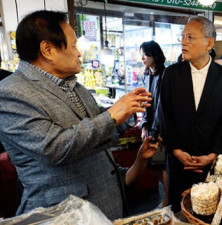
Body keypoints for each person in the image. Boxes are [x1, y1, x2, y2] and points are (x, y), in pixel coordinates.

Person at [0, 10, 160, 220]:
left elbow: (96, 125)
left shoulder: (75, 86)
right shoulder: (11, 92)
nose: (79, 53)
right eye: (74, 45)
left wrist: (129, 112)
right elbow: (53, 146)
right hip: (64, 215)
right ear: (47, 49)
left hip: (104, 207)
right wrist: (112, 115)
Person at [160, 16, 222, 212]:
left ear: (209, 43)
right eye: (183, 36)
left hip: (211, 163)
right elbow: (165, 116)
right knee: (179, 212)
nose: (183, 42)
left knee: (208, 212)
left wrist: (213, 154)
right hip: (179, 162)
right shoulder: (171, 74)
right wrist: (176, 151)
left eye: (190, 37)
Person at [139, 40, 169, 207]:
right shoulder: (146, 75)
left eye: (145, 53)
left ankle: (167, 198)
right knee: (150, 163)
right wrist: (144, 125)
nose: (142, 57)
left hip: (161, 127)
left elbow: (162, 106)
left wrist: (156, 130)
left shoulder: (165, 74)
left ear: (154, 54)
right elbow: (145, 103)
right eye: (141, 54)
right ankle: (167, 192)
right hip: (149, 125)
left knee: (162, 163)